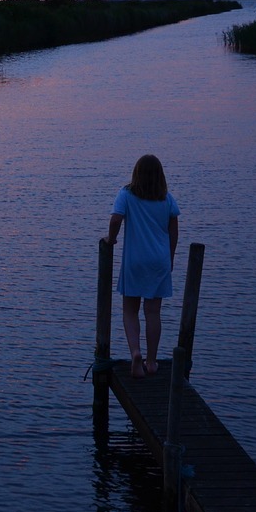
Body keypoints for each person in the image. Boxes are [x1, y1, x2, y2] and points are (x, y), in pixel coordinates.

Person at [105, 154, 180, 380]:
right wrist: (171, 258)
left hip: (134, 261)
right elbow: (174, 231)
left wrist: (111, 239)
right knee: (153, 312)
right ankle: (152, 361)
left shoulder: (126, 194)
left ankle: (135, 353)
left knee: (130, 310)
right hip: (159, 261)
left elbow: (116, 219)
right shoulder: (166, 199)